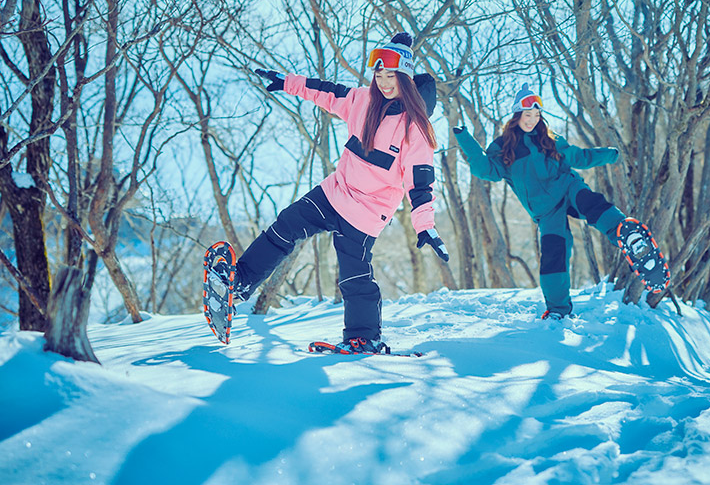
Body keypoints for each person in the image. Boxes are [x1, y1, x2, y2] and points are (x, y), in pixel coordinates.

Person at [223, 32, 449, 353]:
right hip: (334, 193)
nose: (384, 83)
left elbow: (420, 180)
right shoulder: (363, 101)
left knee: (353, 275)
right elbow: (326, 92)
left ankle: (363, 337)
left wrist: (424, 224)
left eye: (392, 76)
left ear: (406, 77)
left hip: (367, 212)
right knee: (285, 227)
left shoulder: (415, 127)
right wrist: (287, 83)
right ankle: (238, 284)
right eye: (379, 75)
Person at [452, 83, 668, 320]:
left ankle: (626, 233)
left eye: (536, 115)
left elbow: (579, 157)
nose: (532, 120)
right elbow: (485, 170)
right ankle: (558, 310)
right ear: (517, 115)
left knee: (590, 203)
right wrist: (465, 139)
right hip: (546, 210)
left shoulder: (549, 138)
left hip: (567, 187)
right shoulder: (503, 147)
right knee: (553, 256)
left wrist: (608, 154)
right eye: (527, 115)